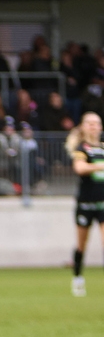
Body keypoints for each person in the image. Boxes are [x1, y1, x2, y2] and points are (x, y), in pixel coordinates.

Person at [64, 112, 104, 297]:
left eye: (96, 123)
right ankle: (78, 277)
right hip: (86, 203)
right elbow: (80, 168)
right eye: (90, 123)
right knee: (82, 244)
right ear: (83, 126)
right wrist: (99, 166)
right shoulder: (82, 148)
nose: (93, 126)